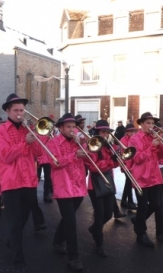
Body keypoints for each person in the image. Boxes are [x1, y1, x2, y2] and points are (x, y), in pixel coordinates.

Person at [0, 93, 43, 273]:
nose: (20, 113)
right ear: (7, 111)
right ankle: (18, 261)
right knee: (14, 222)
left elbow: (38, 153)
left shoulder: (28, 130)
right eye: (16, 110)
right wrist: (24, 143)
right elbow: (5, 155)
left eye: (22, 110)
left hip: (28, 180)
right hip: (11, 182)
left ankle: (10, 241)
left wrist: (37, 136)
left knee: (24, 219)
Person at [46, 113, 88, 271]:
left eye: (74, 127)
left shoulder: (79, 141)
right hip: (63, 187)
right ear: (61, 128)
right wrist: (73, 154)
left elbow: (89, 159)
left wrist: (84, 146)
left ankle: (57, 240)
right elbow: (55, 162)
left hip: (78, 186)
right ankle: (74, 257)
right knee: (71, 221)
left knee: (67, 218)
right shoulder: (53, 143)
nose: (72, 130)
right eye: (68, 127)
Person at [129, 112, 163, 247]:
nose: (151, 126)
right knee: (143, 206)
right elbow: (137, 158)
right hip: (140, 177)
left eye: (152, 123)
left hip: (155, 176)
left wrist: (161, 144)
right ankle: (141, 234)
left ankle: (138, 222)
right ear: (141, 124)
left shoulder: (154, 137)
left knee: (157, 204)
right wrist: (152, 145)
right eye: (148, 123)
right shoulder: (134, 139)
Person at [87, 120, 119, 257]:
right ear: (97, 132)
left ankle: (95, 229)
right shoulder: (91, 145)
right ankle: (99, 244)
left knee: (108, 214)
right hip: (94, 185)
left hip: (108, 182)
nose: (105, 134)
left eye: (107, 132)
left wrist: (117, 159)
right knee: (99, 214)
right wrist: (110, 162)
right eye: (102, 132)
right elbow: (93, 167)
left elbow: (114, 166)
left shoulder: (108, 146)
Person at [120, 123, 138, 210]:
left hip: (133, 164)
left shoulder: (134, 139)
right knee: (129, 182)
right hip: (126, 164)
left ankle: (124, 200)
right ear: (127, 132)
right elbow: (124, 153)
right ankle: (130, 201)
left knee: (128, 183)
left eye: (133, 131)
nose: (132, 133)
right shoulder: (123, 140)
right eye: (131, 131)